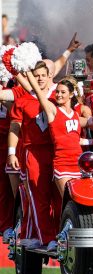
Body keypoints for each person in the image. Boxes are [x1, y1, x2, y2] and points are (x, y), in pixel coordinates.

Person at [8, 61, 61, 251]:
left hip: (58, 151)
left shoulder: (58, 96)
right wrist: (12, 152)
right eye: (36, 75)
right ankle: (47, 238)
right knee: (38, 196)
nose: (39, 79)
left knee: (59, 197)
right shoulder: (22, 99)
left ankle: (59, 234)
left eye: (42, 75)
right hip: (34, 152)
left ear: (49, 77)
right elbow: (15, 127)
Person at [26, 71, 86, 197]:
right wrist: (27, 71)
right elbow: (39, 93)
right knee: (69, 199)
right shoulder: (53, 111)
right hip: (62, 162)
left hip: (78, 163)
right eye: (57, 92)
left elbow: (76, 139)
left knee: (80, 201)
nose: (58, 95)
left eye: (62, 92)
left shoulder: (75, 114)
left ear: (71, 95)